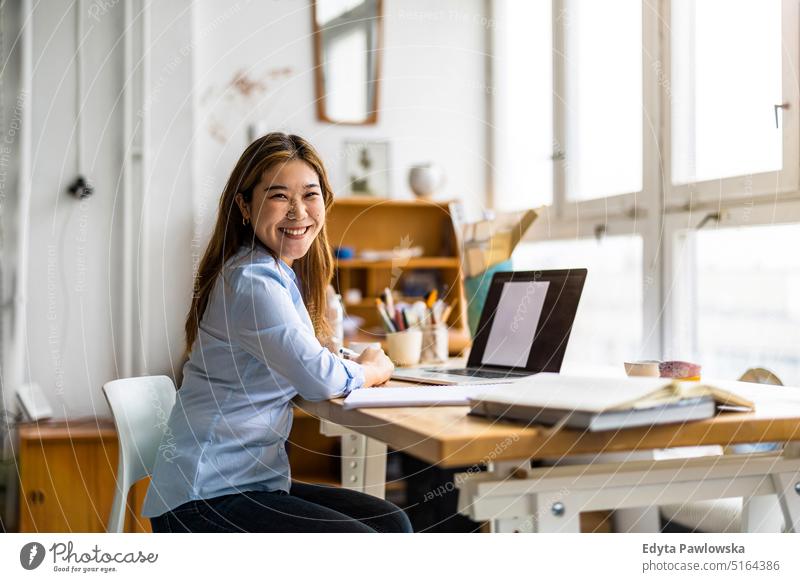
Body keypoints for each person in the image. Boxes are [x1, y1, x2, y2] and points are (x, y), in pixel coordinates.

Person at [141, 132, 411, 533]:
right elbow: (319, 378)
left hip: (249, 482)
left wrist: (338, 361)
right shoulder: (252, 281)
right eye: (279, 196)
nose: (298, 211)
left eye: (310, 195)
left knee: (390, 521)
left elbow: (305, 360)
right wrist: (372, 368)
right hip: (204, 498)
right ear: (245, 206)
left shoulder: (272, 273)